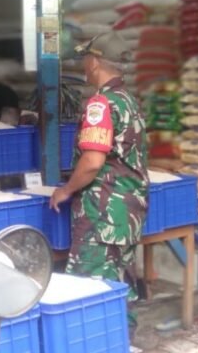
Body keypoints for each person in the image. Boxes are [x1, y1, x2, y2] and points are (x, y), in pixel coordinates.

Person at [49, 31, 149, 338]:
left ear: (94, 62)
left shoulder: (101, 104)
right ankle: (123, 342)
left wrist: (65, 190)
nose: (84, 65)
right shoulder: (129, 101)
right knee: (120, 286)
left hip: (102, 214)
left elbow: (92, 161)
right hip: (126, 214)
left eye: (86, 59)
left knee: (91, 291)